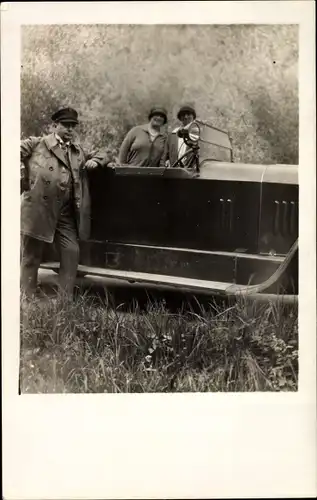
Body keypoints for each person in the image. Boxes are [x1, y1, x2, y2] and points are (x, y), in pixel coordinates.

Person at [20, 106, 114, 299]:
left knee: (71, 252)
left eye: (73, 126)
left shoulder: (77, 151)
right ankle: (26, 298)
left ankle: (64, 301)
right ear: (55, 125)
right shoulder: (37, 143)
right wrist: (22, 172)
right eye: (66, 125)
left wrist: (97, 161)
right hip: (39, 208)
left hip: (65, 211)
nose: (70, 129)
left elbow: (106, 153)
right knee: (32, 256)